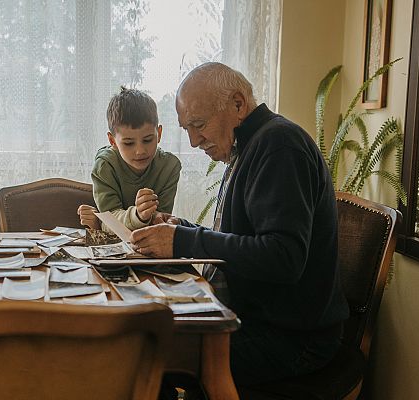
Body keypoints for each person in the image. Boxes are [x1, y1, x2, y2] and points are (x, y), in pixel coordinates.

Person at [130, 62, 349, 386]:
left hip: (294, 339)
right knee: (149, 339)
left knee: (145, 354)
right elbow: (242, 240)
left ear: (237, 104)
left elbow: (283, 257)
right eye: (186, 129)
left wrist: (182, 241)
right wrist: (181, 227)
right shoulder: (251, 145)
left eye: (199, 124)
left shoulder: (279, 146)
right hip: (264, 322)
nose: (193, 141)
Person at [78, 87, 181, 232]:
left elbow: (161, 220)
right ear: (112, 141)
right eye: (128, 143)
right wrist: (138, 215)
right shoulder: (105, 166)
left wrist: (160, 218)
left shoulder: (170, 167)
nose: (140, 151)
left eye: (147, 140)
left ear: (159, 133)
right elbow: (109, 219)